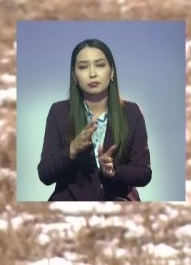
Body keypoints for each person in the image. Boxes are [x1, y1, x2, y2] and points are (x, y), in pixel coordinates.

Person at [37, 38, 152, 201]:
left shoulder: (132, 112)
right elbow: (45, 173)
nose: (92, 74)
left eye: (100, 65)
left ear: (111, 72)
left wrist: (114, 171)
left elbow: (144, 173)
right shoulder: (59, 112)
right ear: (74, 76)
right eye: (83, 67)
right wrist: (71, 150)